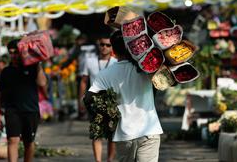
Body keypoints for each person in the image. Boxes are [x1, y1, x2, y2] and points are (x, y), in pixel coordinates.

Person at [85, 30, 163, 162]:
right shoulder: (146, 68)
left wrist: (105, 117)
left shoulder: (106, 74)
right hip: (149, 132)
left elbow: (88, 99)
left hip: (124, 134)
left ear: (113, 51)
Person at [0, 39, 47, 162]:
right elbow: (0, 92)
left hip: (30, 110)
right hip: (12, 110)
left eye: (15, 52)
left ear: (21, 51)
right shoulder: (6, 71)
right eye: (11, 53)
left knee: (29, 142)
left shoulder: (33, 67)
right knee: (12, 140)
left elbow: (42, 82)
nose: (13, 55)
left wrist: (38, 63)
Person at [80, 35, 117, 162]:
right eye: (102, 44)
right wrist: (81, 99)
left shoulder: (115, 62)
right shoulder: (89, 61)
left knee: (112, 134)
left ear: (112, 47)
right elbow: (84, 81)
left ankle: (110, 160)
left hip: (111, 102)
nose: (104, 47)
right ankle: (98, 160)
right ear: (98, 45)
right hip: (94, 102)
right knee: (96, 133)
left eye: (108, 45)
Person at [61, 34, 98, 119]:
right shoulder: (94, 46)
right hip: (94, 73)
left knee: (81, 94)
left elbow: (71, 58)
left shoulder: (79, 47)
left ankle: (82, 112)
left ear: (80, 40)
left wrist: (62, 66)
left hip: (82, 74)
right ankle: (92, 113)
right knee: (93, 93)